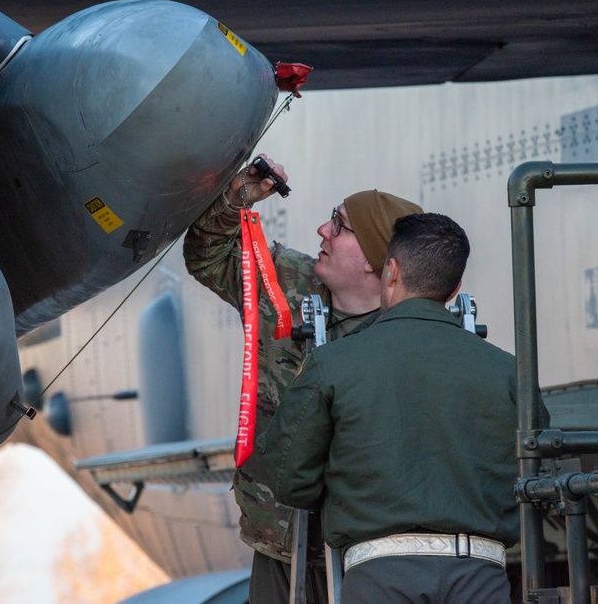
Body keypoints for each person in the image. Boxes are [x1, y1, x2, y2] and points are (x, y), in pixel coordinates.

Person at [261, 213, 546, 604]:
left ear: (390, 271)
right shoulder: (511, 372)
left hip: (379, 577)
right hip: (482, 577)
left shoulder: (334, 363)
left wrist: (350, 488)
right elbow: (536, 474)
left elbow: (287, 478)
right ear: (455, 288)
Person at [183, 154, 422, 604]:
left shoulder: (415, 331)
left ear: (374, 260)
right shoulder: (287, 282)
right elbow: (207, 257)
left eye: (340, 226)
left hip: (374, 556)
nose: (322, 230)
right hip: (279, 542)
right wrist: (237, 200)